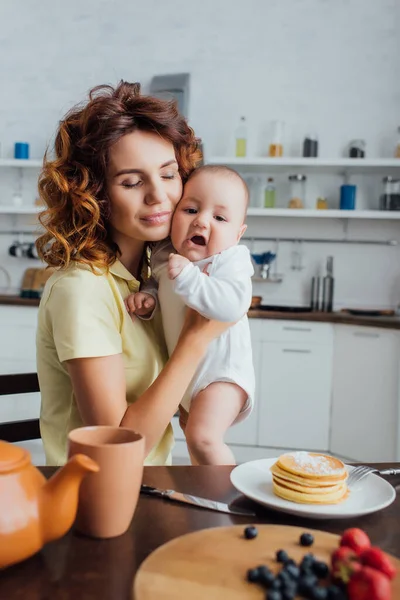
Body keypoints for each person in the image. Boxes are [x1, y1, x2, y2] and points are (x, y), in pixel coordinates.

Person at [35, 81, 232, 466]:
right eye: (132, 181)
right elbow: (118, 450)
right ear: (94, 196)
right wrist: (196, 339)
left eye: (169, 174)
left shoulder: (152, 277)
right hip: (95, 503)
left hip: (155, 487)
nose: (158, 195)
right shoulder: (81, 289)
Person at [125, 165, 255, 465]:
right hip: (187, 373)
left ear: (238, 233)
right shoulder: (165, 255)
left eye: (219, 218)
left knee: (204, 438)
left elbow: (233, 306)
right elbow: (160, 286)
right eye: (191, 209)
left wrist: (190, 279)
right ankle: (206, 497)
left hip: (222, 375)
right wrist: (149, 298)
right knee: (192, 436)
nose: (201, 221)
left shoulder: (229, 260)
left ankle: (227, 499)